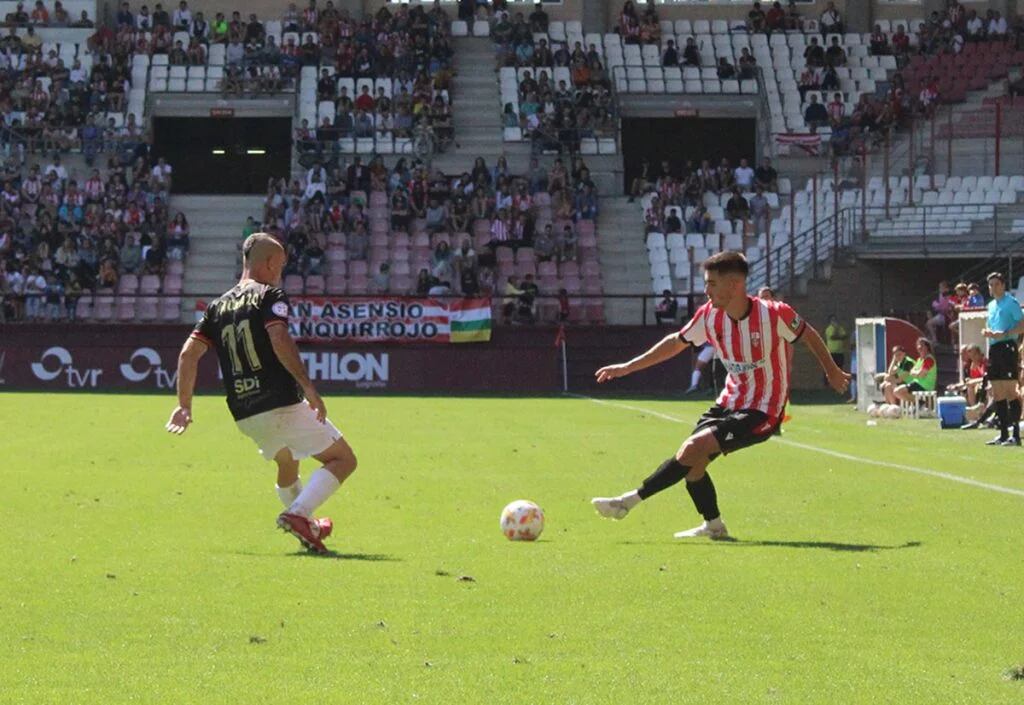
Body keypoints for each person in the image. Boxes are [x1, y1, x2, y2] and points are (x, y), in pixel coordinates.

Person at [590, 252, 850, 538]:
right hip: (728, 402)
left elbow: (809, 335)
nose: (706, 290)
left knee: (691, 449)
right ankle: (714, 526)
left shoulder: (775, 314)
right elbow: (676, 343)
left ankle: (627, 502)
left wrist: (833, 370)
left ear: (734, 284)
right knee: (692, 466)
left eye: (712, 284)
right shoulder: (709, 315)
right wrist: (628, 367)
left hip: (764, 410)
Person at [166, 233, 358, 554]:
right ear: (269, 263)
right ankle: (297, 514)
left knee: (287, 464)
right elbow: (279, 338)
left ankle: (306, 526)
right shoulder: (269, 295)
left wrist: (183, 406)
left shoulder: (217, 307)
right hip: (279, 401)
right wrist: (309, 388)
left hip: (245, 412)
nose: (280, 273)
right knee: (343, 459)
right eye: (280, 266)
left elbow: (188, 356)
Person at [980, 272, 1023, 446]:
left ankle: (1015, 434)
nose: (993, 288)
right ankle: (1003, 433)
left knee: (1009, 390)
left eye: (996, 284)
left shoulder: (1010, 303)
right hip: (995, 348)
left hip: (1007, 347)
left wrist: (1004, 333)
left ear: (1003, 285)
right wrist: (987, 332)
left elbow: (1022, 325)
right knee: (997, 392)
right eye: (990, 285)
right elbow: (990, 325)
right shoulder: (990, 305)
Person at [881, 338, 937, 406]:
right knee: (890, 387)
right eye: (918, 346)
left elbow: (922, 374)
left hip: (924, 385)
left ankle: (920, 403)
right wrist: (917, 373)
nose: (919, 347)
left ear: (927, 347)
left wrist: (916, 373)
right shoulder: (920, 359)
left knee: (897, 391)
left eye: (922, 345)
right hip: (917, 383)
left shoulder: (928, 359)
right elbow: (912, 372)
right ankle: (891, 406)